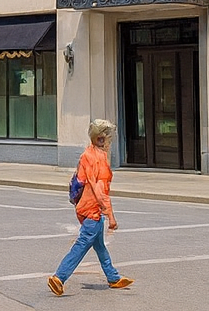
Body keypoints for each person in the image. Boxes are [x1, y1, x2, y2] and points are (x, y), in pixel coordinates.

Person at [48, 119, 131, 296]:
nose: (110, 142)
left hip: (83, 207)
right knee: (83, 243)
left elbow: (81, 181)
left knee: (99, 245)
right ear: (102, 138)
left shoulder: (86, 154)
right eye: (109, 138)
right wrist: (111, 216)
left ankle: (113, 277)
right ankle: (59, 277)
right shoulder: (100, 159)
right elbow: (99, 190)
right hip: (93, 209)